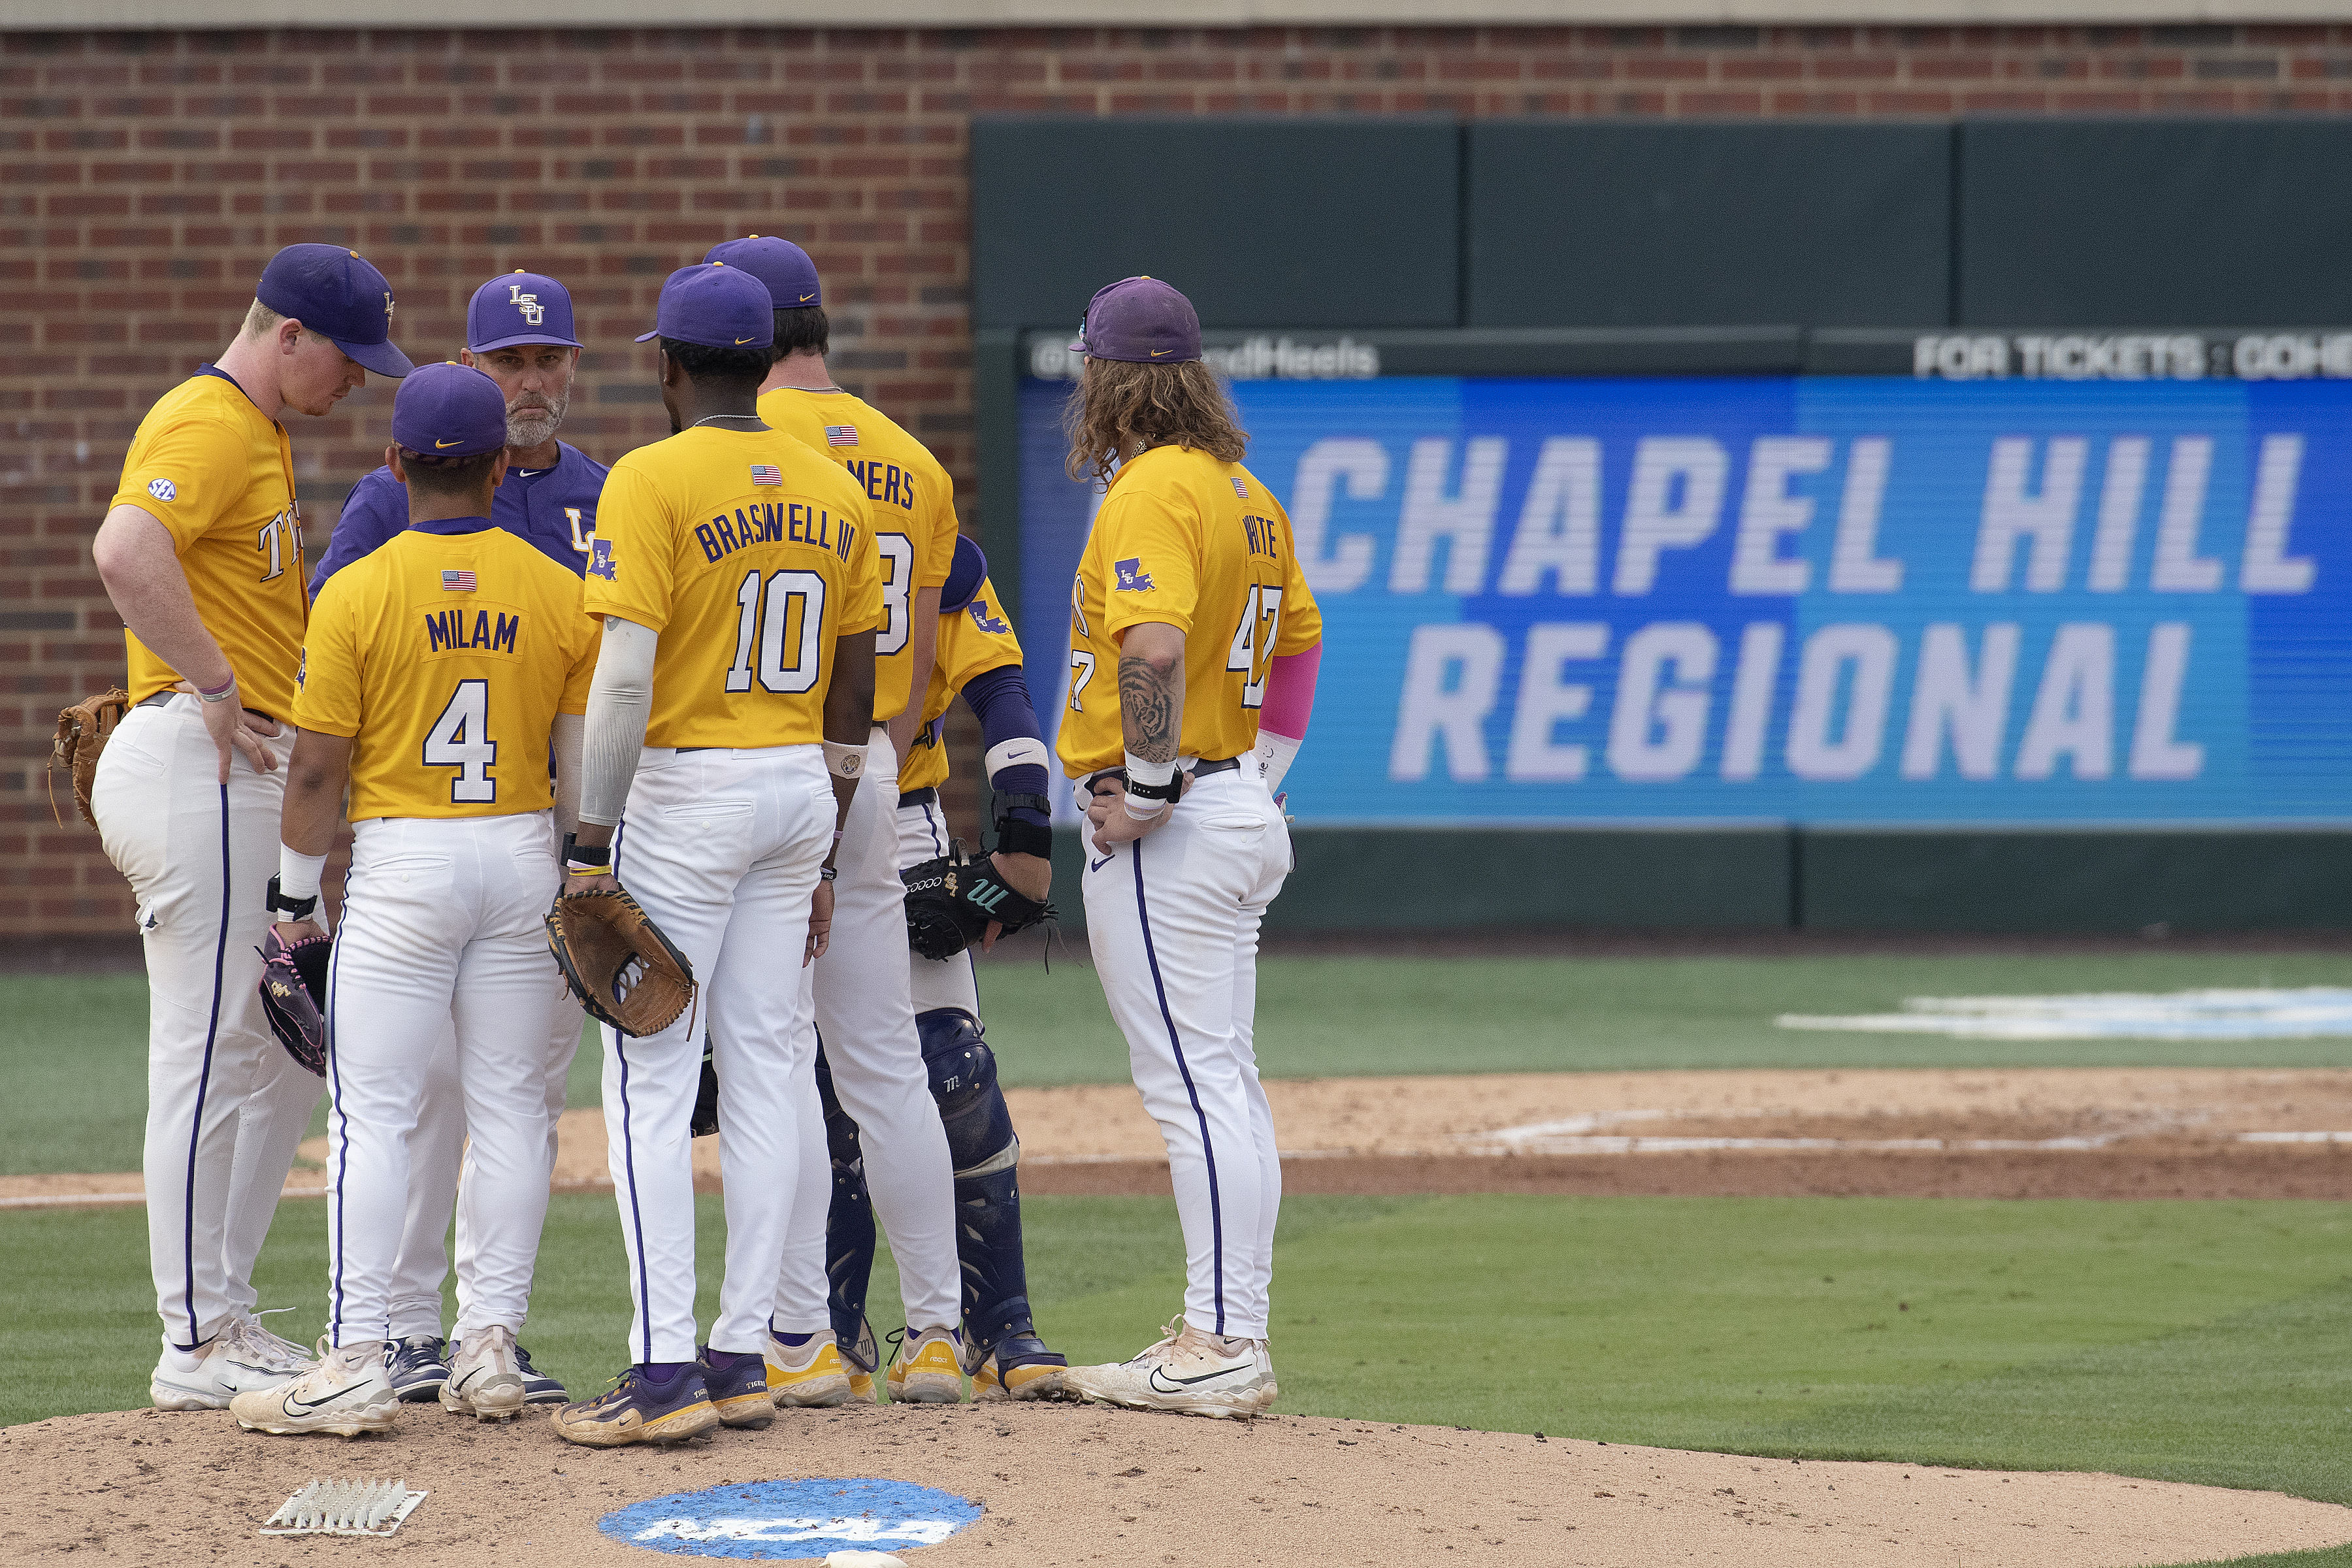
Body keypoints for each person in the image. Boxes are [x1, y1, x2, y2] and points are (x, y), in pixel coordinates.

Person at [227, 362, 597, 1437]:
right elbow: (578, 760)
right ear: (496, 465)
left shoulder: (357, 588)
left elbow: (315, 771)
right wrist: (583, 868)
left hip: (405, 860)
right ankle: (489, 1344)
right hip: (521, 850)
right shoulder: (555, 586)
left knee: (374, 1114)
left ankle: (354, 1357)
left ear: (395, 464)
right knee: (516, 1113)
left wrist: (294, 900)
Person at [553, 261, 882, 1448]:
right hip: (799, 779)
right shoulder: (833, 486)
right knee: (770, 1068)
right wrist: (830, 825)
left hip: (690, 789)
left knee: (648, 1078)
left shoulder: (650, 475)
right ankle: (745, 1356)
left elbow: (625, 677)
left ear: (670, 367)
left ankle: (659, 1374)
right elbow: (859, 684)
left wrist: (591, 840)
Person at [90, 243, 412, 1413]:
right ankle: (194, 1337)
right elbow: (125, 550)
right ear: (288, 337)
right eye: (349, 358)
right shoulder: (213, 418)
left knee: (278, 1043)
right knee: (213, 1044)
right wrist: (217, 683)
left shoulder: (256, 433)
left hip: (238, 770)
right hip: (200, 758)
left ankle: (224, 1313)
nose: (360, 383)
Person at [308, 269, 606, 1409]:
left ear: (572, 366)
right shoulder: (390, 509)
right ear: (478, 382)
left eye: (549, 358)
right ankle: (423, 1331)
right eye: (511, 362)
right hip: (513, 837)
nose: (533, 379)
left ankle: (444, 1340)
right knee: (439, 1105)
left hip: (467, 845)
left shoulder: (606, 493)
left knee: (492, 1101)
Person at [707, 235, 972, 1404]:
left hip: (767, 769)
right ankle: (937, 1336)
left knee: (772, 1062)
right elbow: (909, 672)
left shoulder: (739, 447)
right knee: (886, 1065)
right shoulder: (913, 461)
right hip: (878, 772)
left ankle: (801, 1336)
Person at [1053, 278, 1324, 1419]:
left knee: (1194, 1091)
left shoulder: (1155, 489)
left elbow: (1152, 650)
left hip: (1175, 821)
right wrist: (1256, 780)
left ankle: (1219, 1344)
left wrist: (1160, 790)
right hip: (1232, 809)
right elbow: (1303, 646)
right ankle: (1231, 1330)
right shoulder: (1244, 490)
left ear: (1110, 380)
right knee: (1227, 1086)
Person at [799, 534, 1069, 1402]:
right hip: (775, 817)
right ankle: (826, 1335)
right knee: (812, 1085)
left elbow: (1000, 688)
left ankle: (996, 1332)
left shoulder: (927, 538)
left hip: (891, 812)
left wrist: (1024, 828)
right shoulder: (750, 510)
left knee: (952, 1068)